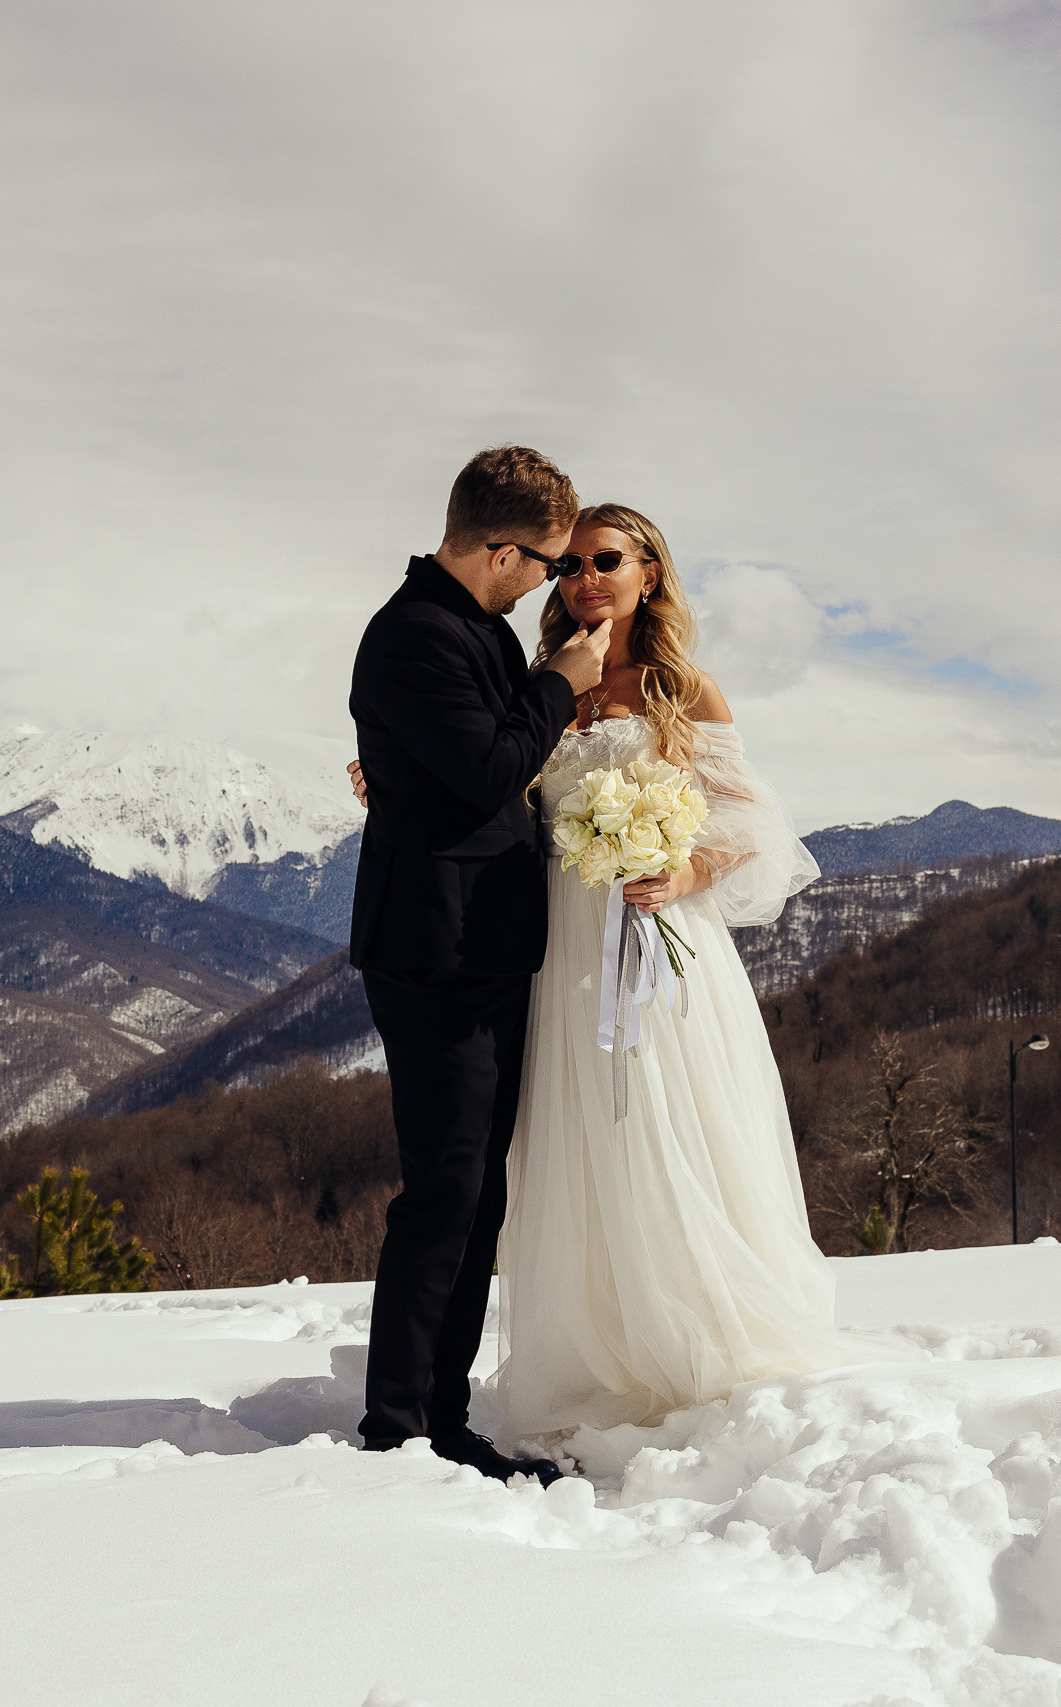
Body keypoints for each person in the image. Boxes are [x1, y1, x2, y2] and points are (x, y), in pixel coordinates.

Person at [487, 502, 907, 1439]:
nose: (585, 579)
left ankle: (696, 1331)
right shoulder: (539, 683)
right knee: (579, 1131)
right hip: (561, 944)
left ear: (649, 573)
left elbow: (754, 825)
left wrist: (681, 871)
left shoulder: (683, 688)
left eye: (606, 560)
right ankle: (598, 1343)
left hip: (656, 935)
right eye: (569, 565)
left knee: (662, 1117)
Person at [346, 445, 611, 1481]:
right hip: (435, 952)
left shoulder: (472, 630)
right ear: (502, 552)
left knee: (475, 1192)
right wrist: (559, 684)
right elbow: (492, 767)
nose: (552, 581)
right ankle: (399, 1425)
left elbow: (475, 767)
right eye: (547, 563)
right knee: (445, 1189)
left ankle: (440, 1416)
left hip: (482, 944)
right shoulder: (415, 634)